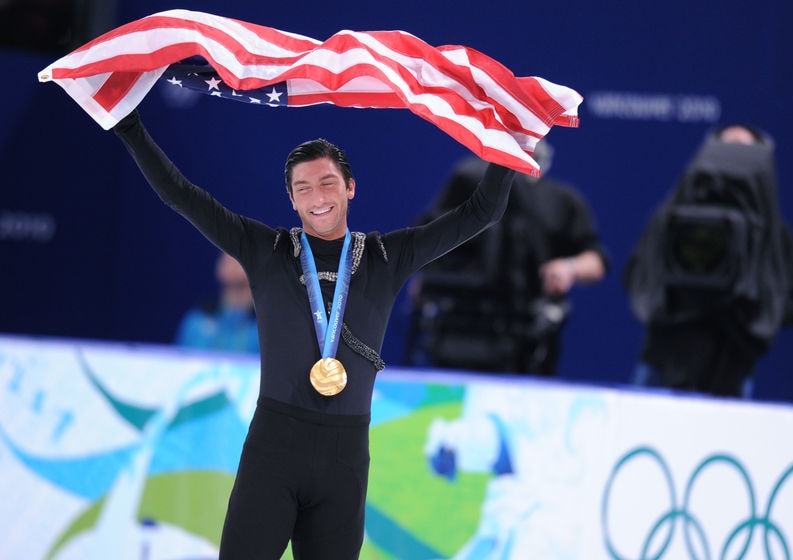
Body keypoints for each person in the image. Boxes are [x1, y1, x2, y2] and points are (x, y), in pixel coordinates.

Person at [112, 108, 516, 559]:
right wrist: (129, 126)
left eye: (327, 183)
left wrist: (510, 142)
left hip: (345, 461)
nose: (317, 197)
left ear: (350, 187)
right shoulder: (265, 251)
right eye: (303, 188)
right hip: (274, 452)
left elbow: (483, 211)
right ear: (291, 199)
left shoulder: (386, 257)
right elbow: (180, 194)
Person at [623, 124, 793, 398]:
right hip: (662, 360)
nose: (732, 156)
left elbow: (789, 305)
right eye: (726, 145)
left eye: (743, 148)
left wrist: (742, 305)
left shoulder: (775, 238)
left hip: (732, 366)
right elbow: (637, 278)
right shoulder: (669, 221)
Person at [405, 140, 608, 376]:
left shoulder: (559, 201)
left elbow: (596, 260)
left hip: (523, 337)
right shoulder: (466, 185)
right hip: (456, 329)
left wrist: (569, 267)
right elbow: (428, 243)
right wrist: (425, 278)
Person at [175, 251, 260, 354]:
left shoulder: (266, 326)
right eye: (225, 258)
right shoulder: (197, 319)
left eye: (235, 257)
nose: (230, 259)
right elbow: (177, 361)